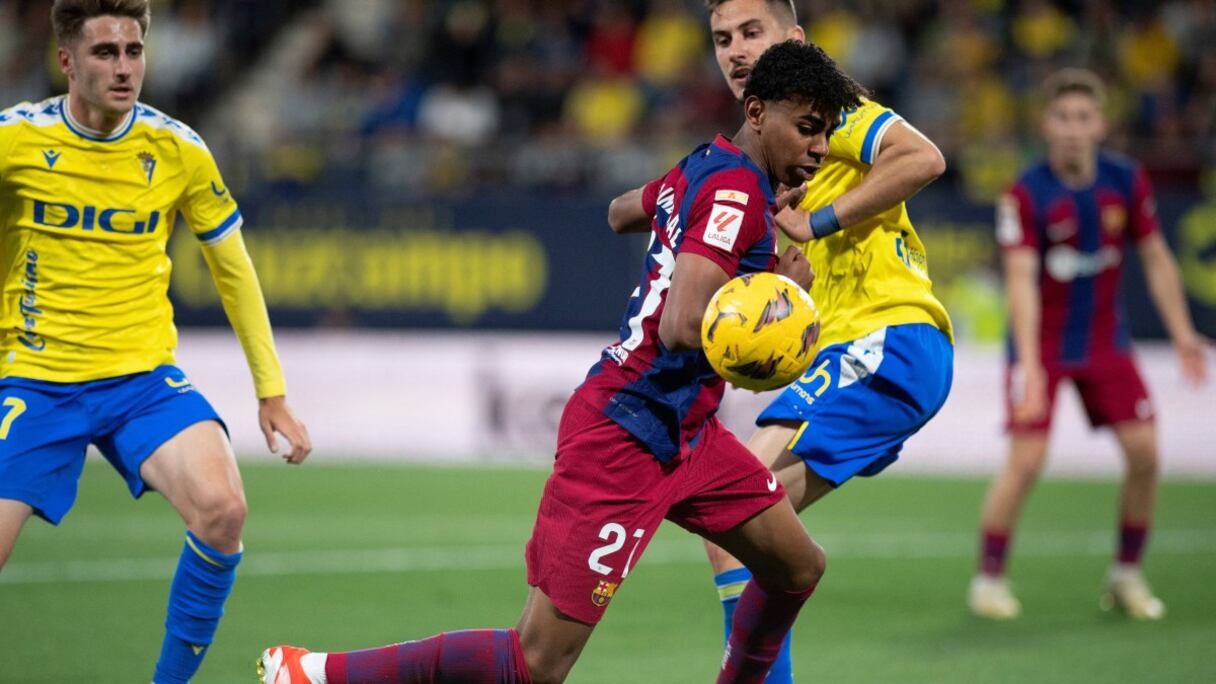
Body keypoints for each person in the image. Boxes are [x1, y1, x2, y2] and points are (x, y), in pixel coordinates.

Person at [258, 40, 864, 684]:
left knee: (797, 566)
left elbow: (619, 212)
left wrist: (688, 210)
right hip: (628, 433)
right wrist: (779, 291)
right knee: (536, 663)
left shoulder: (707, 166)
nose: (820, 148)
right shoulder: (735, 192)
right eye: (807, 128)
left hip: (688, 432)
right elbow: (683, 325)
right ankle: (314, 674)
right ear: (757, 111)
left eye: (826, 133)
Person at [0, 1, 311, 682]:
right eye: (105, 52)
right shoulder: (14, 140)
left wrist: (272, 391)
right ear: (66, 61)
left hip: (140, 380)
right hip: (34, 379)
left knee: (223, 509)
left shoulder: (178, 149)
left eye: (134, 51)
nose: (124, 68)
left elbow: (234, 271)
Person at [691, 2, 954, 681]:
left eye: (752, 33)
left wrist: (822, 221)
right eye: (722, 38)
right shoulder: (767, 148)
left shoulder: (831, 109)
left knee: (739, 498)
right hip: (856, 352)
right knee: (744, 531)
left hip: (888, 338)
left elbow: (923, 157)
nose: (736, 50)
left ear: (795, 39)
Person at [969, 68, 1209, 620]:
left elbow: (1156, 256)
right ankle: (989, 580)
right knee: (1027, 461)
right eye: (1063, 117)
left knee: (1146, 454)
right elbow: (1021, 282)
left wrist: (1181, 333)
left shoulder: (1126, 180)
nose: (1073, 129)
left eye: (1083, 117)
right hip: (1041, 344)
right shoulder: (1024, 193)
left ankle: (1126, 575)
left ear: (1100, 124)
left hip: (1105, 339)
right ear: (1045, 124)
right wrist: (1029, 365)